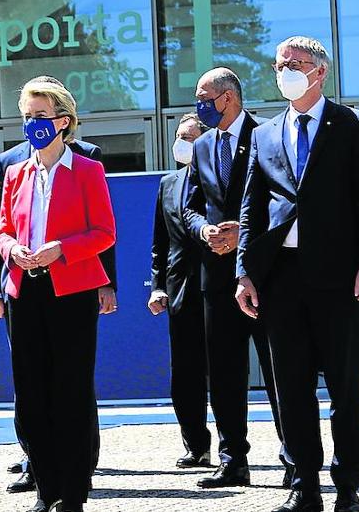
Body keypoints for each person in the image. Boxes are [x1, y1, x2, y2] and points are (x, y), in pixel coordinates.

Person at [236, 36, 359, 512]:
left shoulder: (351, 123)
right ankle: (304, 485)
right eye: (281, 65)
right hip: (281, 278)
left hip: (338, 276)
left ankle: (347, 486)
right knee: (291, 388)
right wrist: (245, 272)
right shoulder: (263, 133)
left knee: (344, 388)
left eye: (296, 64)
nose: (286, 71)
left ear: (320, 72)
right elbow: (250, 209)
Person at [0, 75, 115, 495]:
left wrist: (62, 248)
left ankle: (74, 492)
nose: (32, 123)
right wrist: (12, 250)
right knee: (31, 392)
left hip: (71, 290)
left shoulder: (88, 169)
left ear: (63, 121)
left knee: (71, 392)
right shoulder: (17, 172)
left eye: (40, 115)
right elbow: (1, 229)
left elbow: (104, 233)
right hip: (25, 291)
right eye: (27, 116)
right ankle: (45, 488)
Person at [183, 68, 290, 491]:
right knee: (225, 373)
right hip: (216, 276)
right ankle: (232, 460)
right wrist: (204, 231)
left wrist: (243, 234)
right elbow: (188, 206)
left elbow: (283, 202)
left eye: (203, 97)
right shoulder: (204, 146)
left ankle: (293, 457)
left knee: (279, 369)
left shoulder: (267, 136)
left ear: (227, 97)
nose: (199, 105)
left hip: (265, 275)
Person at [147, 114, 211, 470]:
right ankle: (196, 445)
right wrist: (158, 286)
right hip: (179, 289)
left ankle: (235, 447)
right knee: (185, 372)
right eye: (178, 137)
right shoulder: (167, 184)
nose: (182, 144)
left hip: (216, 284)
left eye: (190, 137)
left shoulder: (220, 175)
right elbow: (160, 242)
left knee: (222, 370)